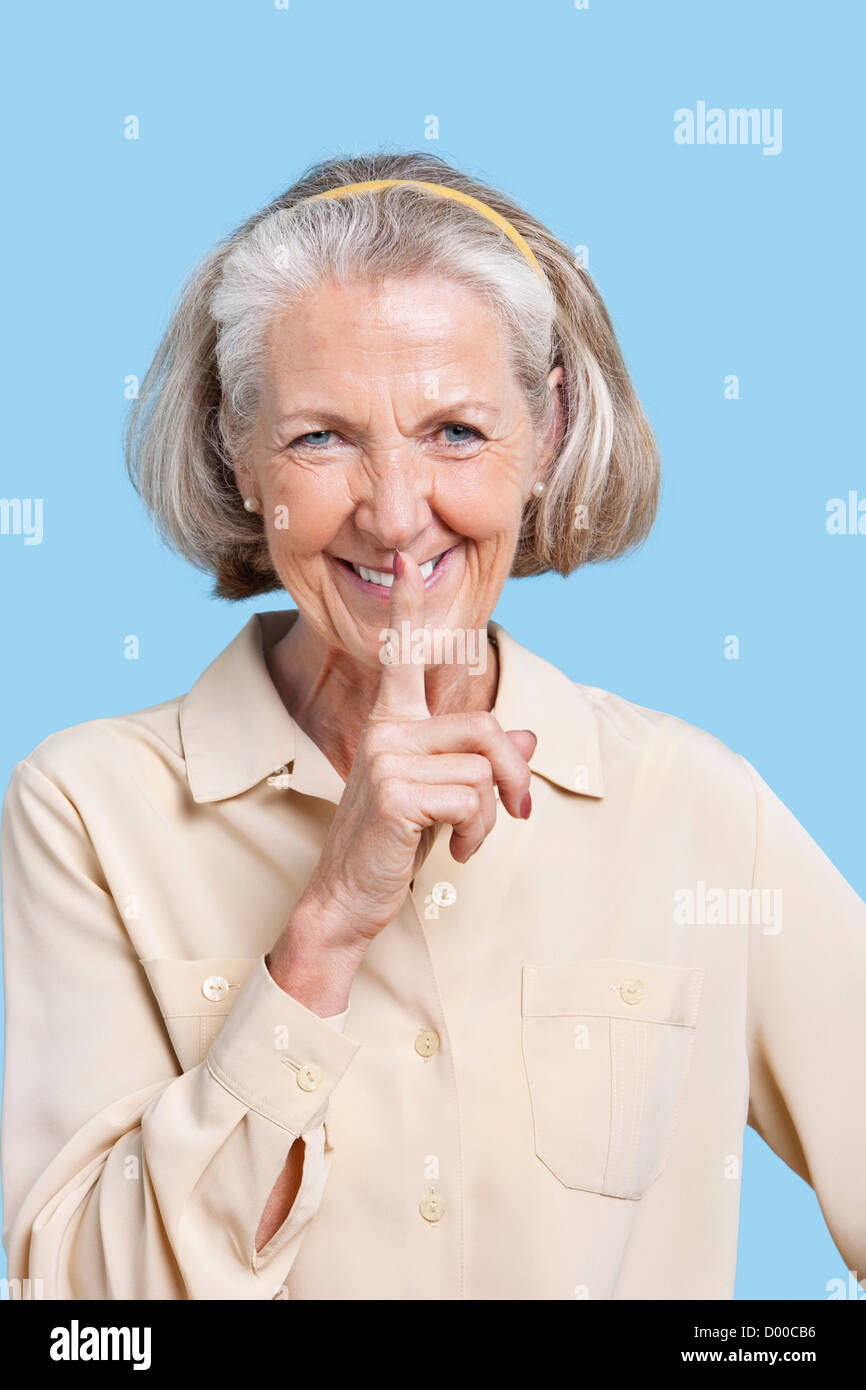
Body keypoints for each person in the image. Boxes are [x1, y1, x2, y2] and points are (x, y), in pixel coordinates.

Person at [2, 151, 864, 1300]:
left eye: (454, 431)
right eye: (320, 438)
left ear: (545, 435)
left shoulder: (696, 806)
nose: (397, 513)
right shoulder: (87, 811)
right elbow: (80, 1324)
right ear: (236, 449)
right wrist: (324, 930)